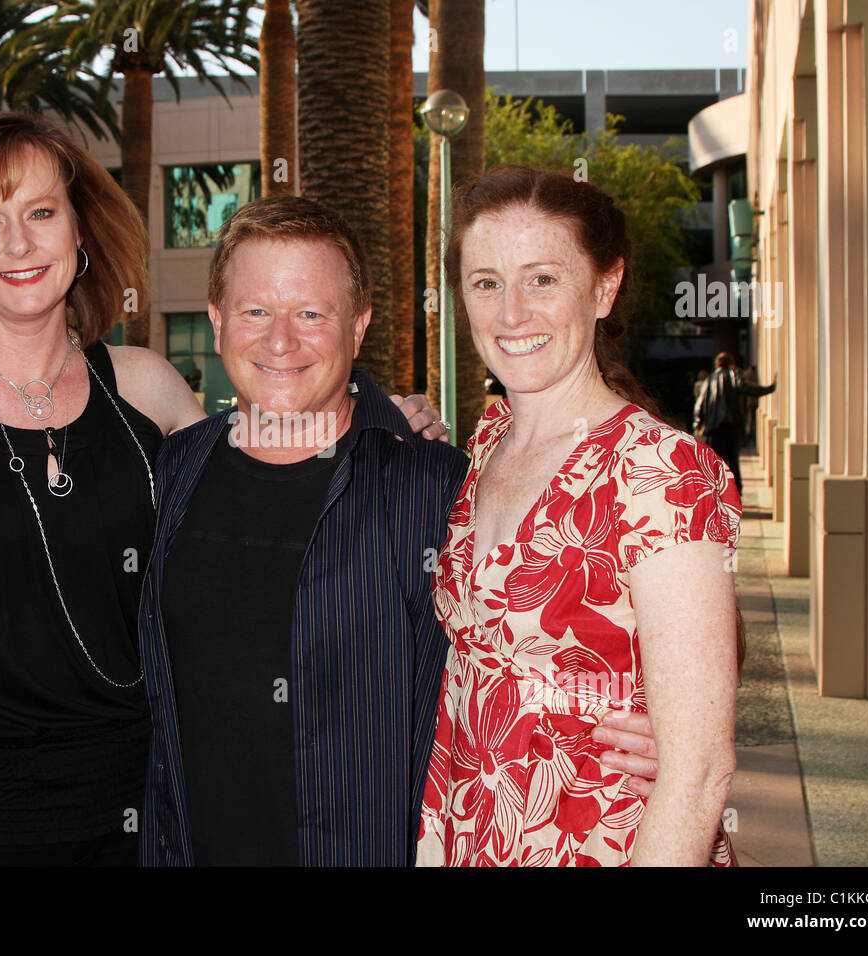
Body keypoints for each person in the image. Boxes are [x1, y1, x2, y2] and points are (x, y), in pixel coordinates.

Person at [0, 111, 442, 867]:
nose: (20, 243)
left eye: (42, 212)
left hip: (127, 820)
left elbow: (271, 462)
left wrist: (388, 420)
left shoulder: (146, 388)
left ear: (81, 233)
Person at [138, 195, 662, 867]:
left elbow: (566, 621)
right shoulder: (176, 468)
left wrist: (643, 727)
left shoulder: (439, 488)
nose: (280, 340)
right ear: (216, 321)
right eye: (255, 311)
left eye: (310, 313)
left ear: (358, 328)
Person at [417, 165, 742, 866]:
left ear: (604, 286)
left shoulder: (658, 471)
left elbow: (700, 770)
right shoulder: (484, 448)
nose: (511, 313)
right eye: (485, 282)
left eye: (542, 278)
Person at [694, 351, 776, 494]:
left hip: (714, 429)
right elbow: (746, 388)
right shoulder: (734, 374)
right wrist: (768, 389)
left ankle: (717, 494)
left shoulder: (709, 380)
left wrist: (698, 427)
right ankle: (736, 494)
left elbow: (699, 407)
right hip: (732, 427)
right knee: (733, 462)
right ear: (731, 362)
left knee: (715, 464)